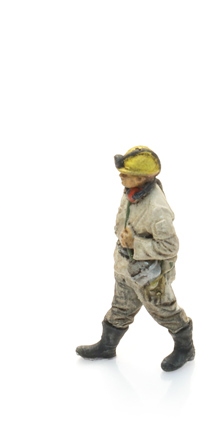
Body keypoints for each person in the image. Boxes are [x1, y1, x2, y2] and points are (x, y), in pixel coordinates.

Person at [76, 147, 195, 372]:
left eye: (126, 174)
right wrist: (122, 238)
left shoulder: (157, 209)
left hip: (149, 276)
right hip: (125, 267)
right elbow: (121, 221)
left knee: (165, 311)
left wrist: (135, 244)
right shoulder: (131, 193)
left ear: (141, 178)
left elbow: (170, 247)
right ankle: (107, 346)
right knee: (120, 308)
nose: (121, 176)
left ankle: (185, 348)